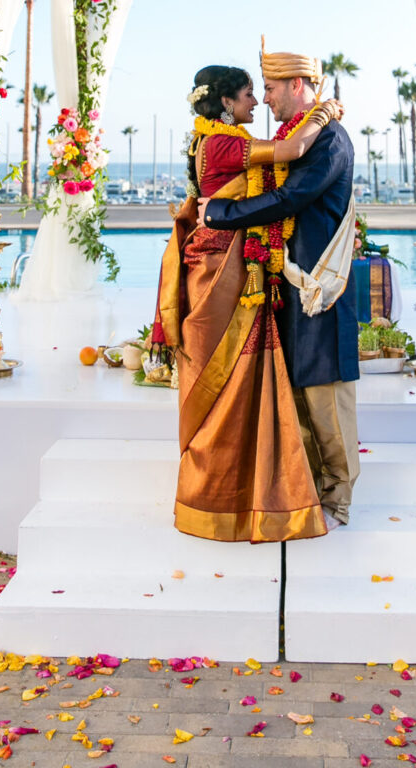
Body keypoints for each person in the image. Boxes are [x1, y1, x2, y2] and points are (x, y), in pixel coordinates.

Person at [153, 63, 342, 544]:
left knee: (231, 378)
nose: (256, 103)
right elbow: (293, 151)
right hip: (223, 267)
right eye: (247, 95)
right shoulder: (225, 143)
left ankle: (234, 490)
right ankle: (230, 494)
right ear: (224, 103)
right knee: (231, 376)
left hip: (218, 262)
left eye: (263, 92)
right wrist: (324, 112)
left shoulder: (207, 140)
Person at [198, 43, 360, 530]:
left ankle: (341, 497)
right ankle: (308, 491)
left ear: (296, 86)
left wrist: (220, 213)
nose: (264, 98)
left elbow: (290, 198)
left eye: (269, 88)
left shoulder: (327, 139)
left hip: (318, 284)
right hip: (288, 285)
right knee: (298, 391)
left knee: (326, 394)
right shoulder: (298, 138)